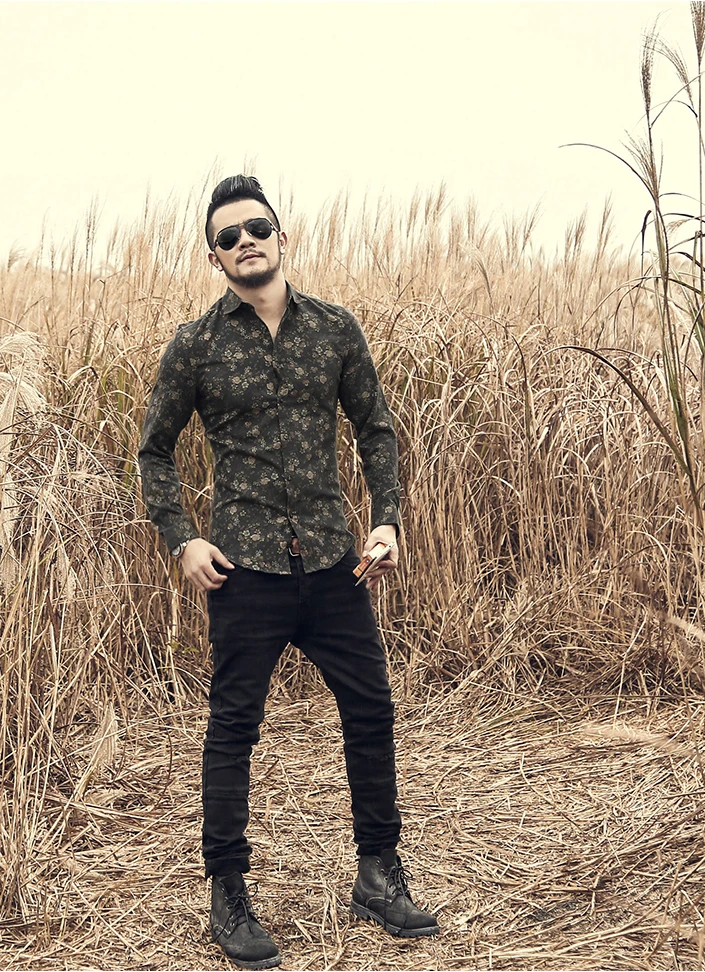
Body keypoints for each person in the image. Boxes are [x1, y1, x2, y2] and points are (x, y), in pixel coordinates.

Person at [138, 176, 439, 969]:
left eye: (257, 228)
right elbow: (154, 453)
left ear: (281, 235)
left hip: (336, 562)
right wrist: (183, 541)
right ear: (214, 257)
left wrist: (386, 518)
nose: (245, 241)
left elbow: (376, 428)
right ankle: (228, 894)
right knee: (234, 728)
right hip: (246, 569)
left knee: (370, 711)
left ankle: (378, 875)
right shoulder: (196, 344)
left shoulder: (335, 330)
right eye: (228, 236)